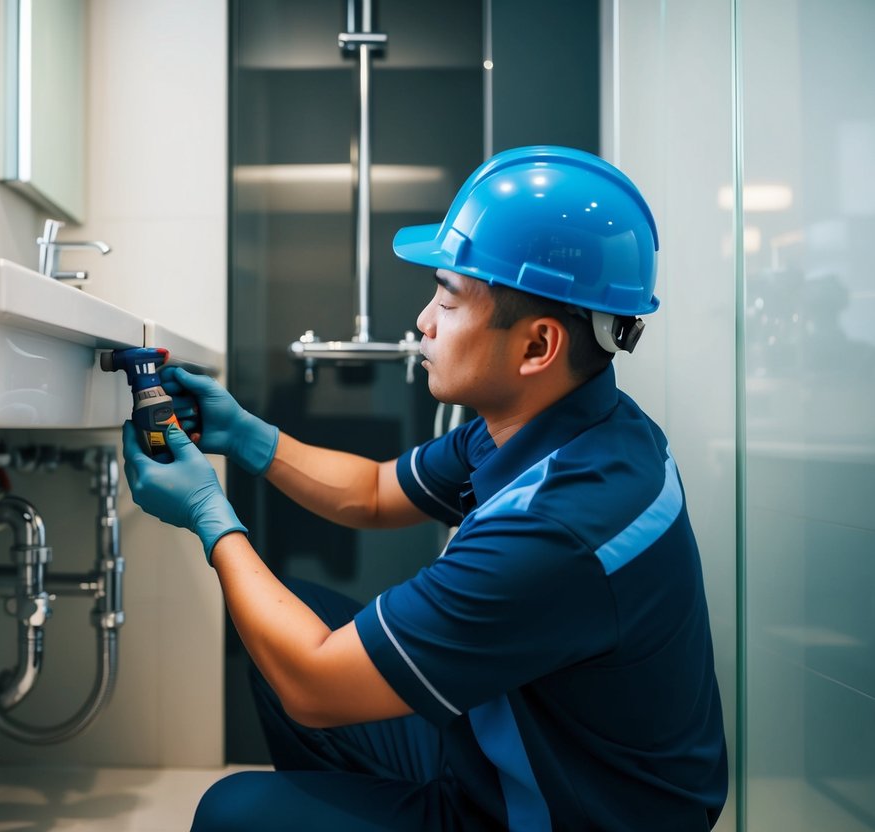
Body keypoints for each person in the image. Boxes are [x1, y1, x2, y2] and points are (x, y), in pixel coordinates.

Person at [121, 146, 728, 831]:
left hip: (565, 817)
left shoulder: (559, 526)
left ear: (537, 346)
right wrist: (246, 437)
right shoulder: (562, 424)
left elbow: (315, 686)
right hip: (526, 760)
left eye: (446, 296)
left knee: (232, 812)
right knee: (298, 618)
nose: (423, 322)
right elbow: (377, 492)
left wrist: (209, 515)